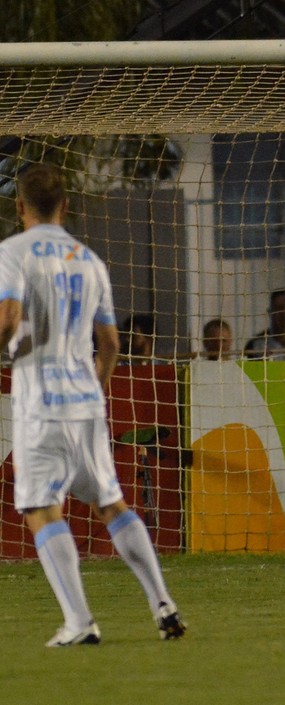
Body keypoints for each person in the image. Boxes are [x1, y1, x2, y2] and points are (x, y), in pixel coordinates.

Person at [0, 164, 186, 646]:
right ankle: (162, 601)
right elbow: (110, 343)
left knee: (42, 507)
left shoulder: (12, 252)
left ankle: (79, 621)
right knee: (111, 503)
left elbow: (9, 318)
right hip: (85, 398)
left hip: (40, 400)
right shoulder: (89, 260)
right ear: (65, 206)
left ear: (20, 207)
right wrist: (95, 389)